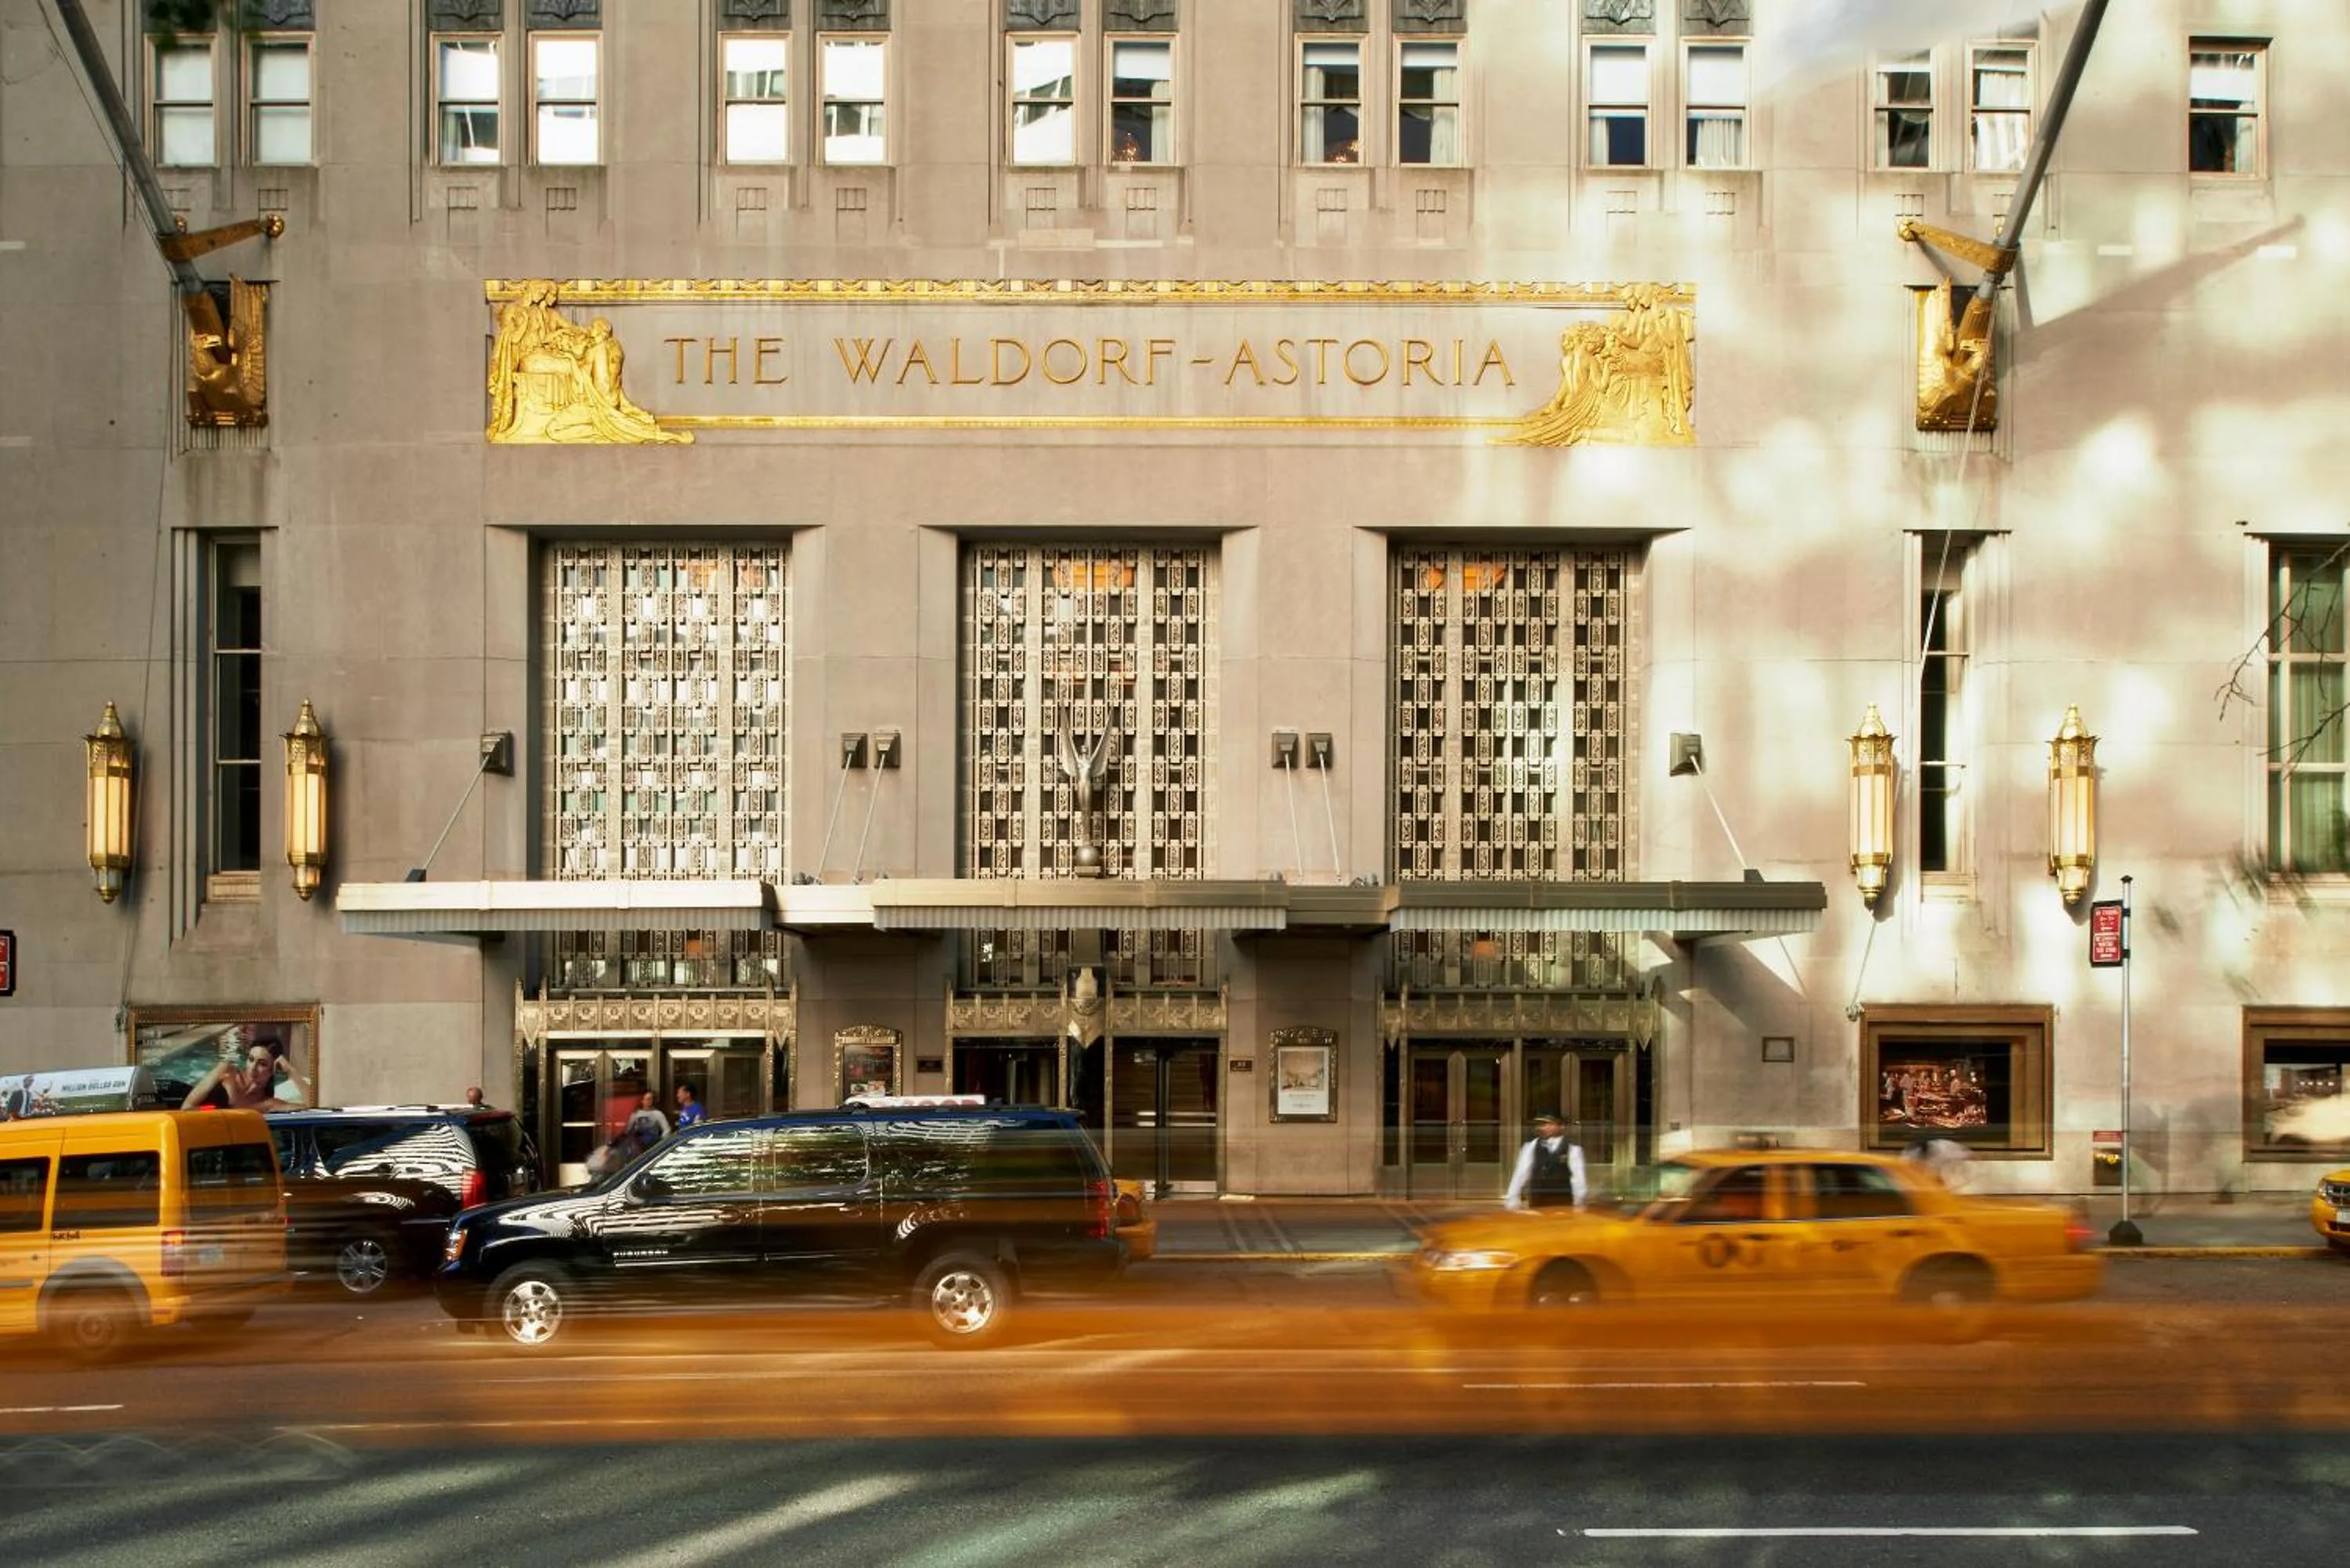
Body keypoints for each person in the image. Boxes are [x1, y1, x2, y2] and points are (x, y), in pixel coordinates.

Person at [181, 1034, 311, 1112]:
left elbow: (312, 1108)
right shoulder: (226, 1071)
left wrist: (291, 1071)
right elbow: (186, 1108)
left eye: (262, 1064)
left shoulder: (268, 1104)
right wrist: (212, 1110)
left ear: (272, 1071)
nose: (253, 1068)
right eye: (251, 1059)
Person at [1503, 1112, 1586, 1211]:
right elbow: (1520, 1174)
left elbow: (1578, 1178)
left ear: (1561, 1126)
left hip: (1563, 1204)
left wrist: (1579, 1201)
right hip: (1537, 1202)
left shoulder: (1573, 1149)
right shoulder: (1530, 1147)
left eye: (1548, 1124)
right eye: (1541, 1125)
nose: (1543, 1128)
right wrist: (1512, 1198)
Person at [624, 1089, 673, 1154]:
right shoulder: (636, 1114)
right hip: (638, 1144)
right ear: (642, 1100)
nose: (649, 1101)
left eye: (651, 1099)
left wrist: (661, 1142)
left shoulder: (658, 1113)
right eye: (647, 1099)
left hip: (652, 1143)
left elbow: (667, 1129)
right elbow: (628, 1130)